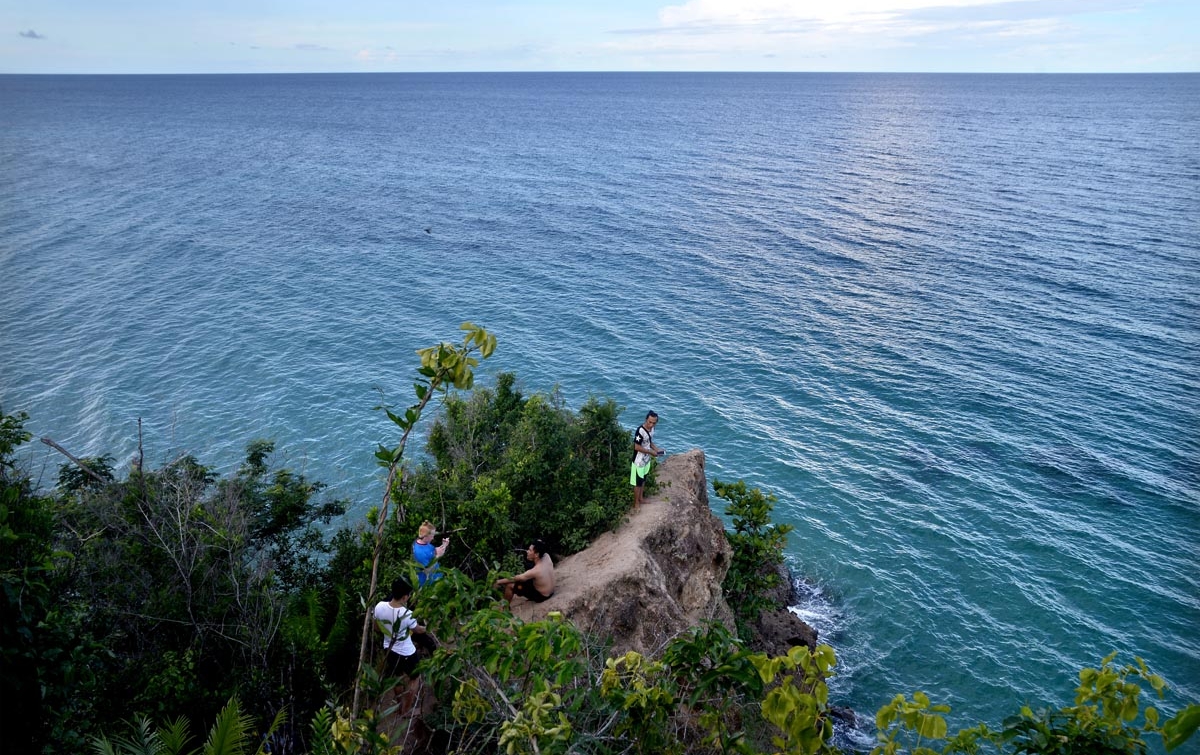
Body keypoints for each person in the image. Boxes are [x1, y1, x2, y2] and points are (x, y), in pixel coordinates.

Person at [373, 578, 428, 683]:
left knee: (397, 677)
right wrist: (429, 627)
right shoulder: (407, 614)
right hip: (407, 652)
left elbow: (376, 627)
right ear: (405, 597)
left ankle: (399, 700)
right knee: (415, 678)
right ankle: (408, 700)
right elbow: (418, 630)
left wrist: (390, 630)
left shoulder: (379, 606)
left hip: (388, 648)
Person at [494, 539, 555, 606]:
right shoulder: (546, 556)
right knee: (529, 568)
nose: (527, 551)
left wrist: (498, 582)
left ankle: (503, 608)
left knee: (510, 585)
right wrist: (537, 542)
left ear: (536, 554)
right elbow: (540, 542)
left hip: (541, 596)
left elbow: (515, 578)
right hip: (550, 591)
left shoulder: (535, 571)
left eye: (530, 550)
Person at [630, 411, 663, 508]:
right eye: (650, 422)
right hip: (638, 461)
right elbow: (636, 447)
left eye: (654, 423)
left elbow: (649, 441)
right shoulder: (640, 431)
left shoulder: (652, 430)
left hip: (646, 460)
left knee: (643, 479)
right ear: (646, 420)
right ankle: (636, 503)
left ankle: (641, 498)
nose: (651, 425)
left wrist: (657, 450)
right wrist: (650, 452)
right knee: (637, 482)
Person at [412, 521, 449, 586]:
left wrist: (444, 545)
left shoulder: (425, 543)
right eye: (432, 535)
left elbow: (433, 554)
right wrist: (437, 556)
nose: (433, 537)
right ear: (426, 536)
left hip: (437, 578)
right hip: (429, 584)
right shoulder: (419, 552)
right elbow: (427, 571)